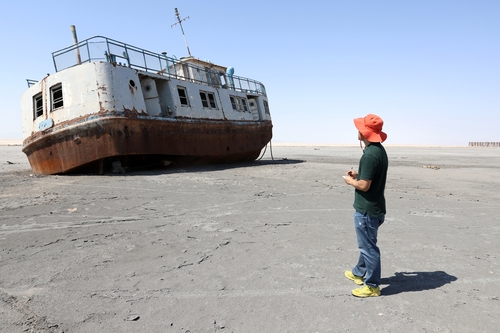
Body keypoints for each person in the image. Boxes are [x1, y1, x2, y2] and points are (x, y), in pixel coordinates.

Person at [343, 114, 388, 297]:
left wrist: (350, 181)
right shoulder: (379, 150)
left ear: (364, 133)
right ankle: (358, 272)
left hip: (367, 210)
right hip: (376, 207)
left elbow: (364, 185)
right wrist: (359, 173)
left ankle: (372, 286)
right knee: (368, 244)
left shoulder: (369, 155)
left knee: (368, 248)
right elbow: (371, 176)